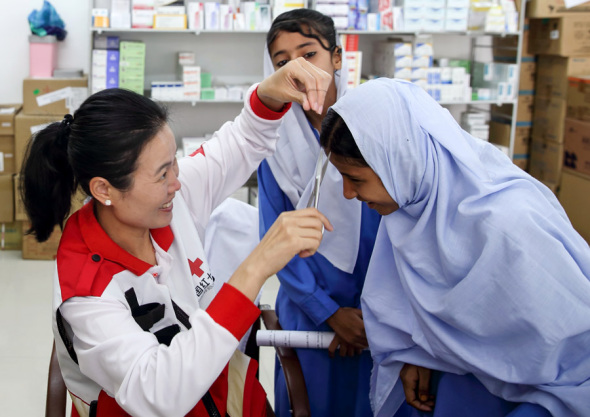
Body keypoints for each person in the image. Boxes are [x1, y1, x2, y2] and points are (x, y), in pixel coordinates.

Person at [20, 58, 333, 417]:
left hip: (221, 390)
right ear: (104, 189)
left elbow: (239, 143)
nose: (177, 183)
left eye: (175, 162)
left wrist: (269, 95)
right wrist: (256, 267)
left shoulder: (168, 202)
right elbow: (159, 394)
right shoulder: (86, 290)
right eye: (162, 173)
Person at [319, 78, 590, 417]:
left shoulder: (508, 226)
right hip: (464, 378)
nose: (347, 194)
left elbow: (573, 348)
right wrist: (420, 353)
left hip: (550, 394)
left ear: (401, 161)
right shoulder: (409, 213)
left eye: (356, 180)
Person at [257, 8, 381, 416]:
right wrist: (329, 313)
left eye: (308, 54)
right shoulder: (273, 143)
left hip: (378, 311)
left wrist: (369, 314)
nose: (297, 68)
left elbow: (399, 228)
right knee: (311, 403)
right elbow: (274, 239)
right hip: (309, 312)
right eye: (282, 61)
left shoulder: (377, 127)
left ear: (338, 58)